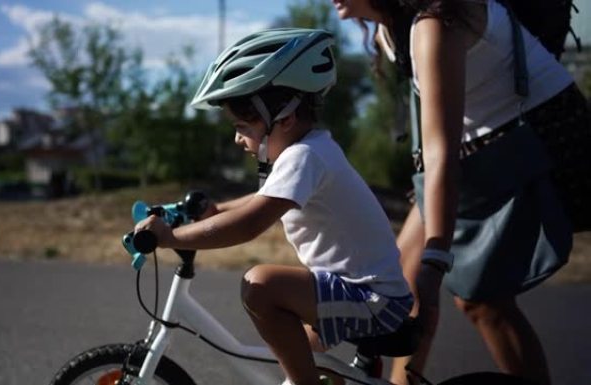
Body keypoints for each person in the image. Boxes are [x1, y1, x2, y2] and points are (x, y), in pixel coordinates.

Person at [134, 28, 417, 385]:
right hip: (358, 292)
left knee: (261, 286)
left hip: (371, 299)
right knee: (307, 355)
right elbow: (261, 199)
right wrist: (215, 211)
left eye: (243, 126)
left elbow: (249, 224)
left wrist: (168, 236)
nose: (238, 138)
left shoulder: (304, 157)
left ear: (284, 118)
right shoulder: (311, 150)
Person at [330, 1, 590, 384]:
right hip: (480, 153)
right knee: (402, 286)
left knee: (480, 299)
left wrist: (435, 264)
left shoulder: (437, 20)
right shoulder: (392, 31)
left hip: (539, 139)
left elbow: (441, 153)